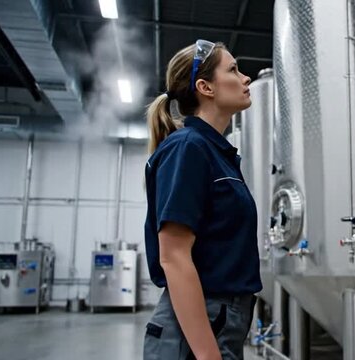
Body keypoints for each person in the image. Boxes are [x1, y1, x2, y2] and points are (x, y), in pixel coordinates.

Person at [143, 39, 261, 360]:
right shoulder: (188, 148)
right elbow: (174, 257)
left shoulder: (214, 153)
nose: (245, 78)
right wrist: (209, 355)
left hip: (220, 319)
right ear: (205, 87)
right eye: (234, 70)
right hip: (200, 325)